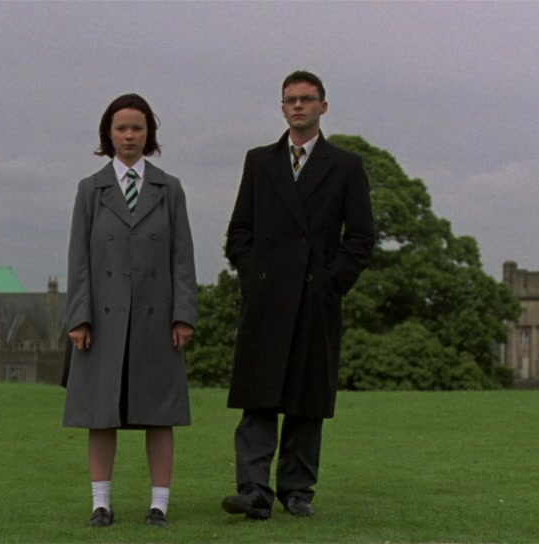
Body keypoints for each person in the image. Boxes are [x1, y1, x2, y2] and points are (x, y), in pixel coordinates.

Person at [220, 71, 375, 520]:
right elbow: (240, 231)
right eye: (291, 100)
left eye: (307, 99)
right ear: (282, 107)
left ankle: (297, 490)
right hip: (266, 298)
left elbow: (361, 236)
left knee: (306, 399)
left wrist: (331, 283)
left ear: (323, 106)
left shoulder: (346, 166)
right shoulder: (259, 161)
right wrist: (253, 277)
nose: (298, 106)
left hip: (315, 298)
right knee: (259, 397)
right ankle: (253, 490)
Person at [62, 93, 198, 528]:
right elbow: (78, 260)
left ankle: (159, 504)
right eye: (121, 128)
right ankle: (101, 503)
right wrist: (78, 317)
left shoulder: (170, 188)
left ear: (149, 134)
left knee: (160, 414)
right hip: (102, 323)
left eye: (137, 128)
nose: (129, 136)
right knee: (100, 413)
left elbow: (182, 258)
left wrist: (184, 315)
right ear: (108, 134)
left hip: (158, 322)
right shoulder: (90, 189)